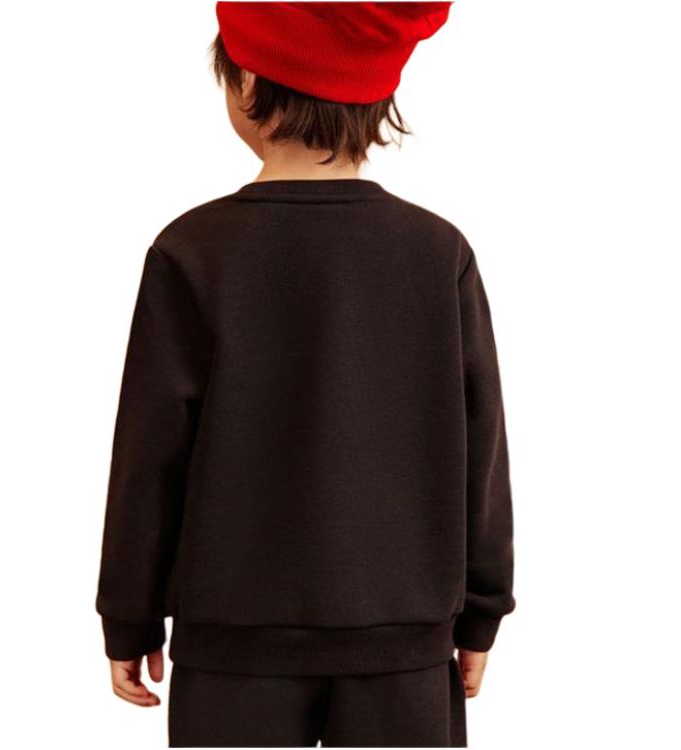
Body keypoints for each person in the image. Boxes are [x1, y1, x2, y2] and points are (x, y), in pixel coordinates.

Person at [95, 2, 515, 746]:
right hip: (404, 647)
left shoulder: (192, 252)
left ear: (248, 83)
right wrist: (483, 611)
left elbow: (151, 454)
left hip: (233, 650)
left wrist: (129, 613)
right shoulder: (437, 253)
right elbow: (481, 450)